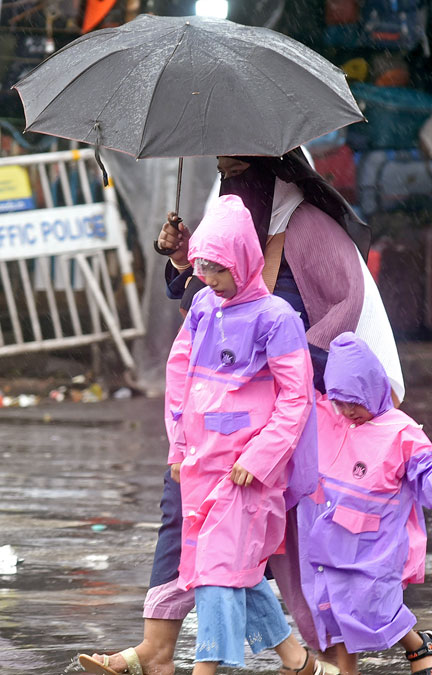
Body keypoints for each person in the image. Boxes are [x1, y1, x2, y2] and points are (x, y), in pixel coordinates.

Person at [83, 149, 400, 675]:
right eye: (221, 175)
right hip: (209, 440)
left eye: (236, 175)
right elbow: (195, 338)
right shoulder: (235, 238)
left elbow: (337, 327)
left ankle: (320, 660)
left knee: (292, 556)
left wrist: (272, 356)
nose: (227, 187)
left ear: (271, 173)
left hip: (280, 434)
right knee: (200, 539)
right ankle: (172, 648)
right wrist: (188, 261)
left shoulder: (309, 232)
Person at [144, 194, 322, 675]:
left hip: (247, 471)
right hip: (202, 463)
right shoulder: (203, 303)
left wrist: (261, 458)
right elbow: (179, 373)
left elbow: (296, 398)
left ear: (245, 262)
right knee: (228, 567)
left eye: (218, 269)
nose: (208, 279)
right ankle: (298, 661)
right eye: (202, 267)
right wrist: (179, 445)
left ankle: (208, 667)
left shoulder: (277, 319)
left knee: (218, 574)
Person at [298, 332, 432, 675]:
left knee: (372, 608)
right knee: (335, 608)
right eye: (339, 401)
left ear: (374, 388)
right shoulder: (329, 418)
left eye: (354, 402)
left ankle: (420, 646)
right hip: (328, 540)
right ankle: (348, 671)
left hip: (374, 546)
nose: (347, 411)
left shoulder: (400, 432)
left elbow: (425, 472)